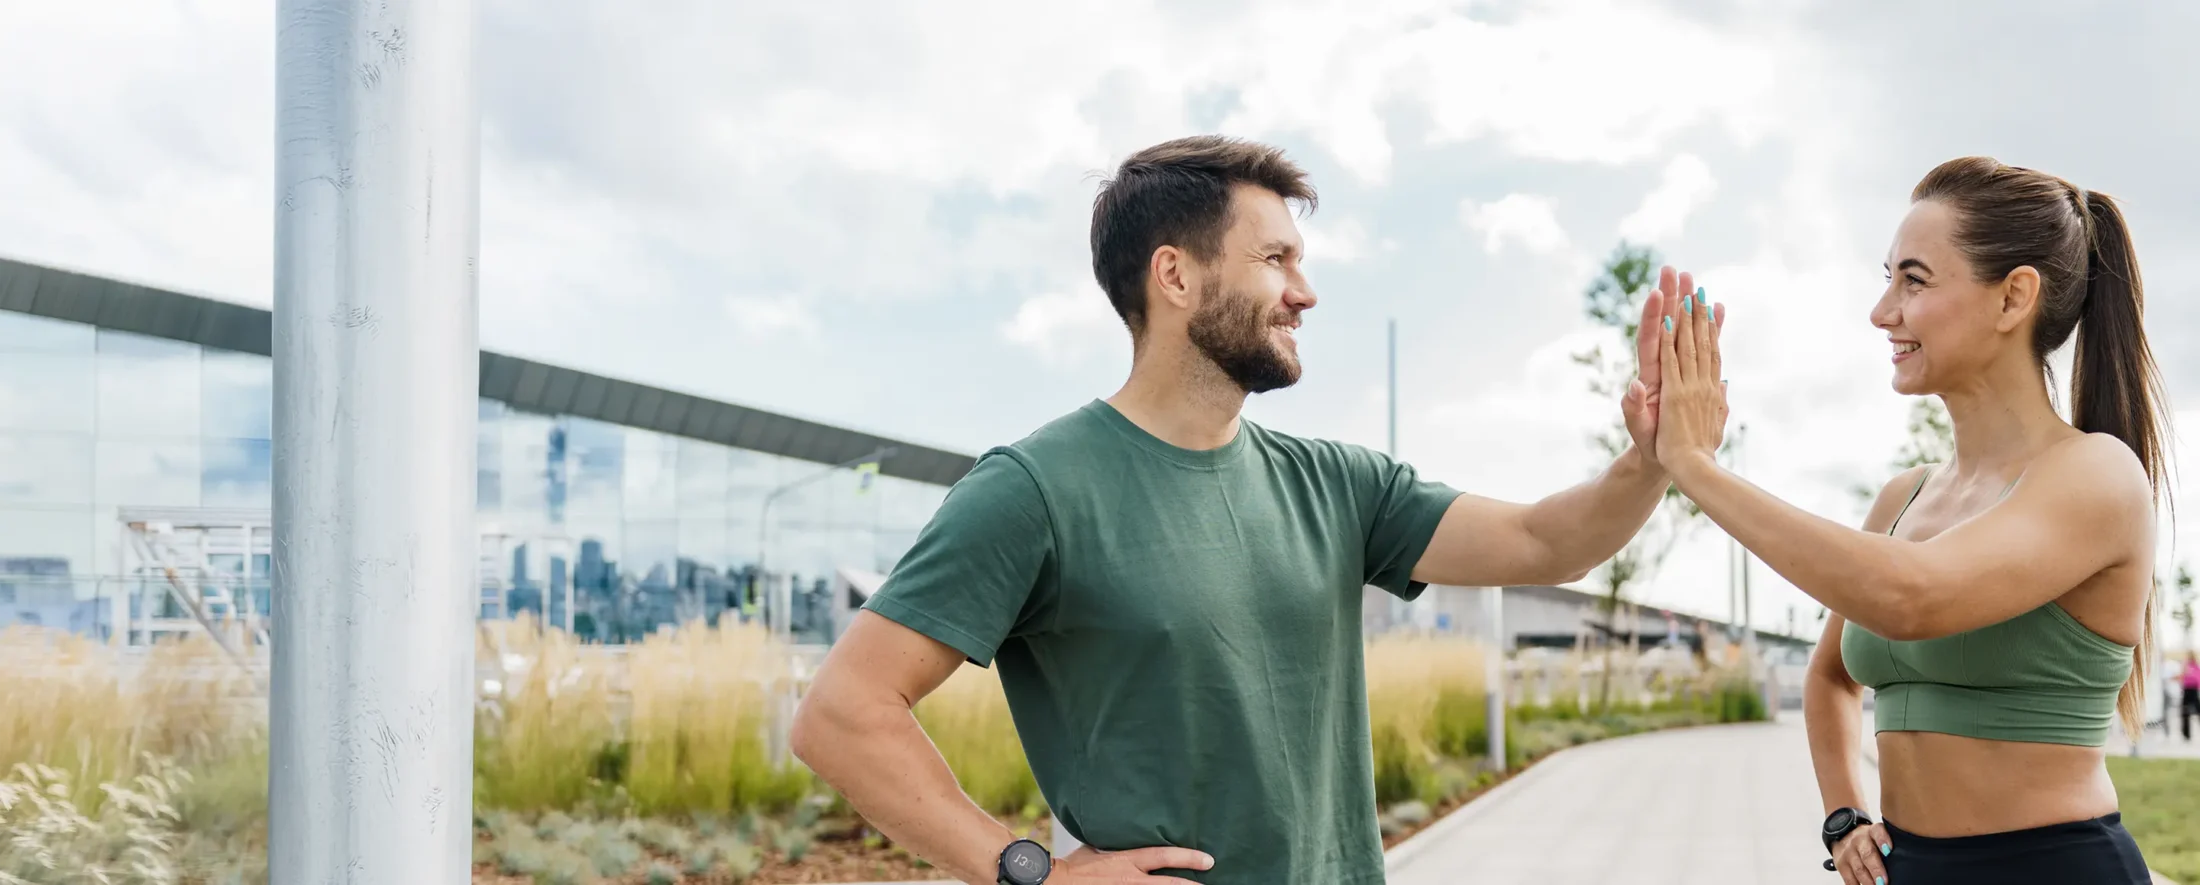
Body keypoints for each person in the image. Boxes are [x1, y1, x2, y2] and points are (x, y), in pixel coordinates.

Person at [788, 135, 1710, 885]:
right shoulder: (1034, 490)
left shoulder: (1341, 485)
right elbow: (841, 711)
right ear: (1176, 277)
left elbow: (1550, 541)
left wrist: (1651, 459)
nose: (1304, 293)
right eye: (1276, 259)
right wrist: (1029, 871)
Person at [1651, 156, 2165, 884]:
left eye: (1913, 280)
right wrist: (1844, 816)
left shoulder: (2097, 474)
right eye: (1886, 276)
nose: (1882, 309)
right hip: (1908, 868)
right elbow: (1830, 675)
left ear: (2015, 296)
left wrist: (1697, 467)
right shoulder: (1903, 498)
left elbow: (1913, 597)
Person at [2181, 651, 2199, 741]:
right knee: (2185, 713)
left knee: (2198, 711)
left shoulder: (2195, 666)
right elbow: (2182, 677)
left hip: (2193, 690)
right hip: (2187, 690)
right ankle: (2186, 734)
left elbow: (2197, 679)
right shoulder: (2185, 665)